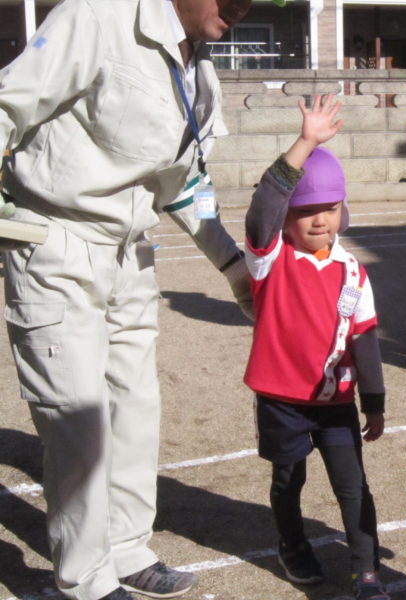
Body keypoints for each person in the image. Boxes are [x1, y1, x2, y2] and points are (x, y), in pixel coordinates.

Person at [0, 1, 287, 598]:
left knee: (135, 408)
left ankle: (127, 547)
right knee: (76, 418)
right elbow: (8, 104)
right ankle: (85, 579)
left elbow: (184, 184)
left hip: (130, 251)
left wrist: (235, 270)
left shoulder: (199, 69)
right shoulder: (95, 17)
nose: (241, 7)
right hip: (56, 242)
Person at [242, 94, 390, 600]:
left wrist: (374, 401)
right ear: (287, 218)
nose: (319, 220)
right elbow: (264, 207)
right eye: (305, 211)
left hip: (335, 402)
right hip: (281, 401)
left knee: (352, 485)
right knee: (289, 480)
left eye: (328, 208)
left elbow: (364, 339)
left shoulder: (353, 271)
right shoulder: (270, 260)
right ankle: (292, 544)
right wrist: (305, 143)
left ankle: (366, 573)